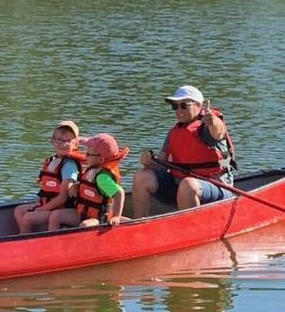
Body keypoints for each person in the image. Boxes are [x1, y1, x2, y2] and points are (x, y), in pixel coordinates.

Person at [132, 85, 236, 218]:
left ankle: (193, 228)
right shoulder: (174, 132)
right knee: (142, 176)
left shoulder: (208, 127)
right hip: (180, 187)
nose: (179, 110)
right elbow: (161, 163)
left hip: (217, 187)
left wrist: (213, 121)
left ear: (199, 106)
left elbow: (219, 132)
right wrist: (149, 162)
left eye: (184, 105)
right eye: (175, 106)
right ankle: (138, 224)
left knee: (188, 184)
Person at [13, 120, 85, 234]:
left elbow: (62, 198)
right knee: (18, 211)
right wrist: (40, 206)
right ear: (52, 141)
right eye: (59, 139)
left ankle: (25, 245)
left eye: (67, 140)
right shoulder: (51, 160)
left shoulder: (69, 165)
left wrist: (40, 209)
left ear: (76, 144)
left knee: (27, 218)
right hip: (49, 205)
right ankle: (29, 238)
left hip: (63, 208)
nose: (62, 144)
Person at [48, 133, 129, 230]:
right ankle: (54, 242)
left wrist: (116, 216)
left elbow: (119, 193)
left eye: (88, 154)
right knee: (55, 216)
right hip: (83, 213)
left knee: (85, 225)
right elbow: (89, 185)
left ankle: (81, 243)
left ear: (101, 159)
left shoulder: (102, 178)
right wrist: (77, 185)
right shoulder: (92, 171)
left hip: (98, 218)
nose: (85, 156)